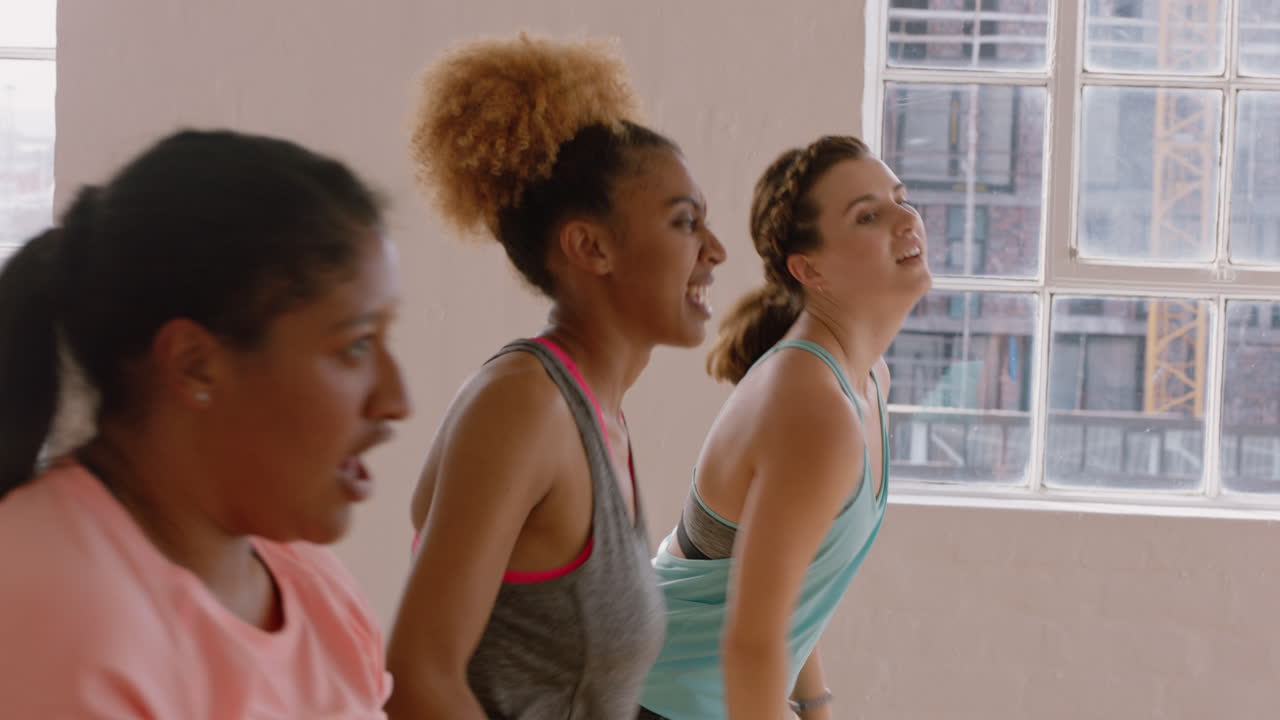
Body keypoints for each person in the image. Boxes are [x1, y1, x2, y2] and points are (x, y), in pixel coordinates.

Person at [0, 129, 410, 718]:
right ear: (196, 364)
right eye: (356, 345)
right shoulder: (61, 611)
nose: (396, 399)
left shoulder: (307, 580)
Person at [384, 34, 726, 720]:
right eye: (684, 222)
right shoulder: (525, 404)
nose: (713, 252)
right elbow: (418, 678)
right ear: (589, 246)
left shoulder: (599, 415)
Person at [638, 136, 931, 720]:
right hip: (651, 699)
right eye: (869, 214)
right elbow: (752, 646)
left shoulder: (867, 378)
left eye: (900, 198)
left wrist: (813, 705)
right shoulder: (813, 408)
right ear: (810, 268)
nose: (906, 218)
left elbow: (783, 578)